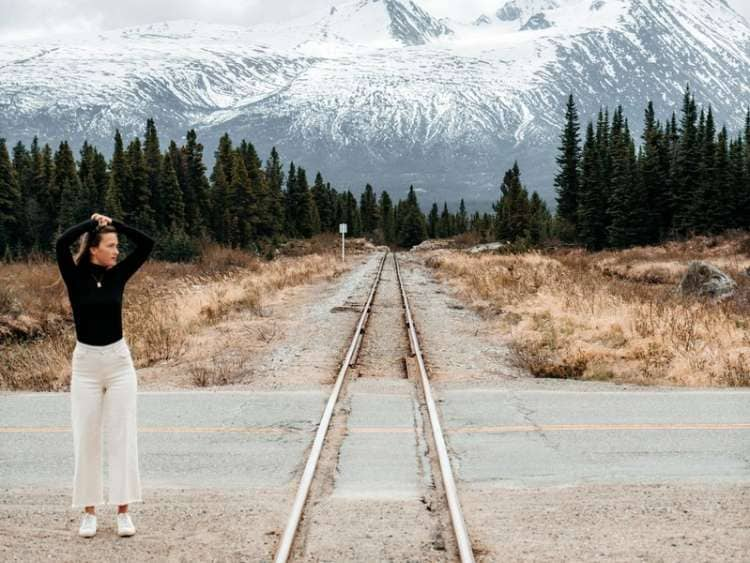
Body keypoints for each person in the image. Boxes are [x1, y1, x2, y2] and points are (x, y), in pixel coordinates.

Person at [55, 212, 155, 538]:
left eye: (117, 246)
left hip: (118, 364)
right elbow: (60, 243)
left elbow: (147, 244)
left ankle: (123, 510)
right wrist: (89, 225)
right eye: (111, 246)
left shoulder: (118, 275)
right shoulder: (74, 275)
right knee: (87, 437)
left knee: (122, 435)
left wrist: (117, 224)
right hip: (85, 365)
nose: (117, 251)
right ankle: (88, 511)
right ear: (94, 249)